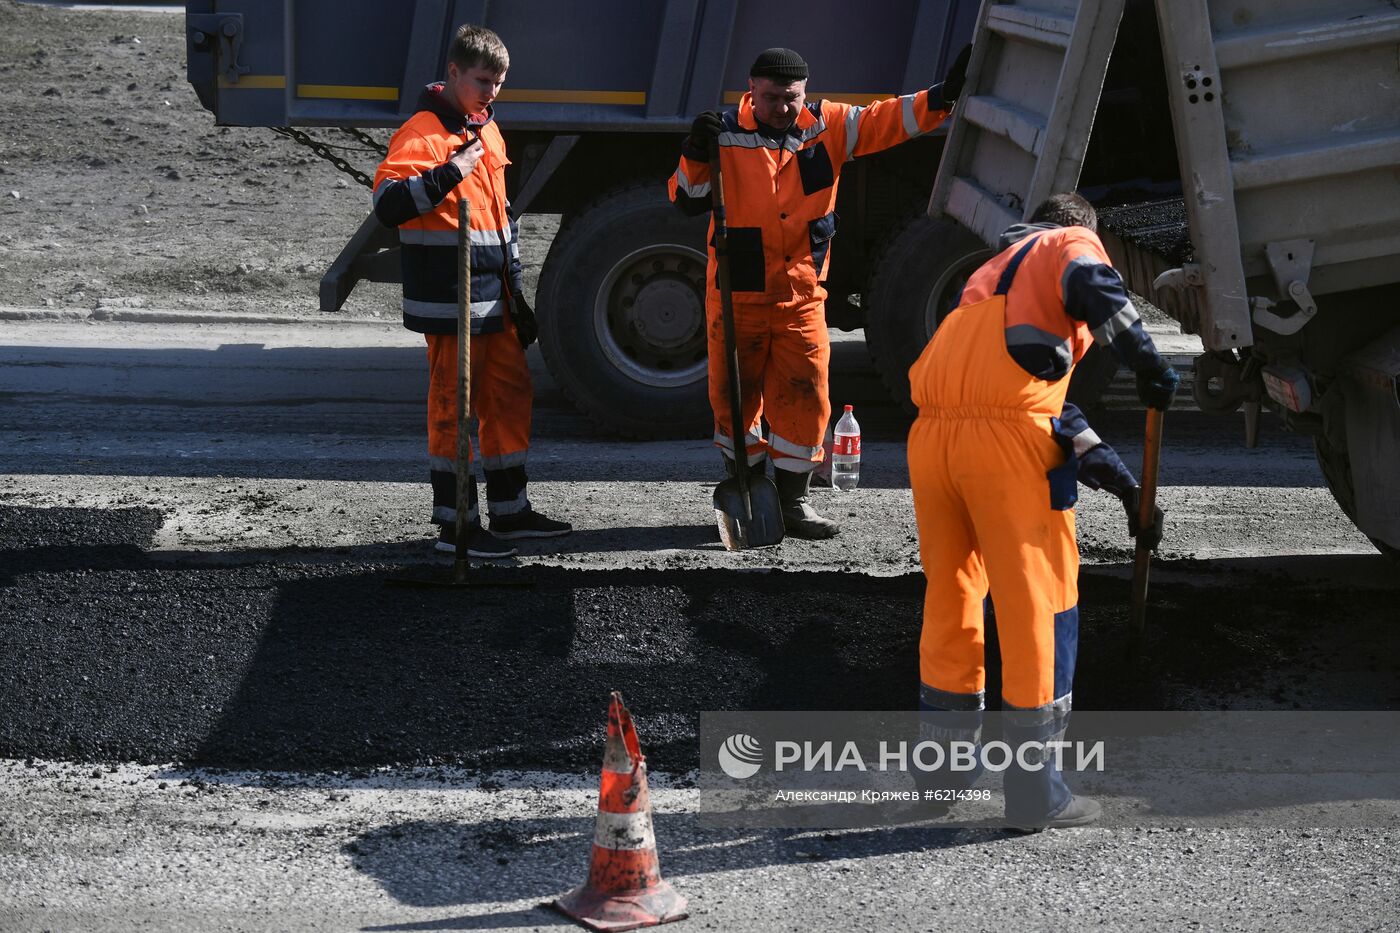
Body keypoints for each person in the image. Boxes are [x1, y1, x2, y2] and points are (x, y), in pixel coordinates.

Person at [907, 192, 1178, 830]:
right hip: (1001, 452)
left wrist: (1127, 490)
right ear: (1081, 228)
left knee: (952, 597)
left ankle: (942, 777)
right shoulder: (1065, 245)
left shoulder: (986, 278)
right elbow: (1095, 288)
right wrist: (1149, 363)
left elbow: (1045, 412)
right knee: (1040, 605)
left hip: (934, 445)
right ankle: (1036, 794)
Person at [670, 45, 970, 539]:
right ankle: (744, 485)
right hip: (738, 297)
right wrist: (695, 152)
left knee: (806, 395)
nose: (782, 108)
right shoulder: (721, 133)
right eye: (771, 98)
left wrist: (944, 97)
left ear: (805, 93)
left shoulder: (829, 124)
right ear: (751, 91)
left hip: (801, 296)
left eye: (791, 98)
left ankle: (793, 501)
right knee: (734, 399)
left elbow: (888, 119)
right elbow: (684, 199)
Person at [373, 24, 570, 558]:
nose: (491, 92)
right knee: (452, 410)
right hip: (451, 304)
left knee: (508, 399)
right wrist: (448, 173)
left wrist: (518, 298)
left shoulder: (487, 129)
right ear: (454, 73)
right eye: (483, 81)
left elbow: (500, 224)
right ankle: (457, 525)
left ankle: (511, 514)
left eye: (499, 83)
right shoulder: (423, 133)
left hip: (494, 301)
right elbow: (389, 206)